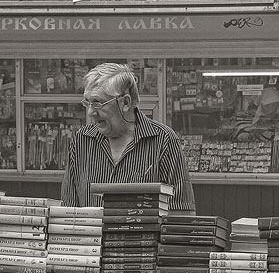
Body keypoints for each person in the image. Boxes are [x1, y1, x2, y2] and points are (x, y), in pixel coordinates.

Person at [61, 63, 195, 212]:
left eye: (98, 103)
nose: (90, 112)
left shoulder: (164, 141)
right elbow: (68, 210)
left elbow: (181, 213)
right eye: (87, 103)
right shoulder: (82, 141)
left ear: (125, 102)